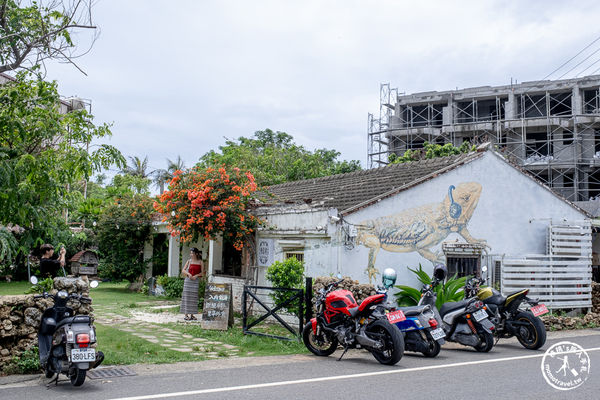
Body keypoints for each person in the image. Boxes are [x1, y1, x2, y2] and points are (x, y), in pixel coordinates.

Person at [181, 247, 204, 321]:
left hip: (195, 281)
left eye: (192, 253)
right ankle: (186, 314)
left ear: (196, 254)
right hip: (188, 281)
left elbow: (203, 273)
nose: (191, 254)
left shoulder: (200, 262)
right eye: (190, 253)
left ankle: (192, 315)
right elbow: (183, 270)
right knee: (187, 297)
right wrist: (189, 274)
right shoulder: (189, 261)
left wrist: (196, 276)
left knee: (193, 298)